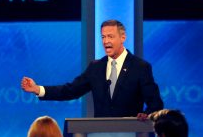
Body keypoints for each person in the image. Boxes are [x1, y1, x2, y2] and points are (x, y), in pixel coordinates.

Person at [21, 19, 163, 118]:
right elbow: (70, 90)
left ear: (123, 37)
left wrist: (147, 115)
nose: (106, 41)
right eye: (103, 37)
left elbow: (156, 103)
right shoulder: (96, 68)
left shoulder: (140, 67)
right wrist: (38, 89)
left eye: (110, 37)